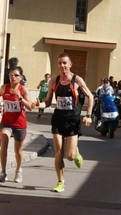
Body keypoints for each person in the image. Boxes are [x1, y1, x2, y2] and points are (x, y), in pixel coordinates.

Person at [33, 53, 93, 193]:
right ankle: (61, 181)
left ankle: (76, 153)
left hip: (72, 120)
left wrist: (88, 115)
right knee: (58, 152)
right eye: (60, 63)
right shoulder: (53, 82)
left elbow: (90, 96)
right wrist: (37, 104)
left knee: (70, 156)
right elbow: (48, 102)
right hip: (58, 120)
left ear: (70, 64)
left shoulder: (77, 80)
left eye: (65, 63)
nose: (62, 66)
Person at [0, 66, 32, 183]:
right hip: (6, 122)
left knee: (18, 151)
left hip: (19, 125)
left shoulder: (23, 90)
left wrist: (20, 97)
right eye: (11, 75)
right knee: (4, 143)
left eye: (16, 75)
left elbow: (30, 106)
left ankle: (18, 170)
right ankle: (3, 172)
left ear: (20, 77)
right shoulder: (4, 87)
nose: (13, 77)